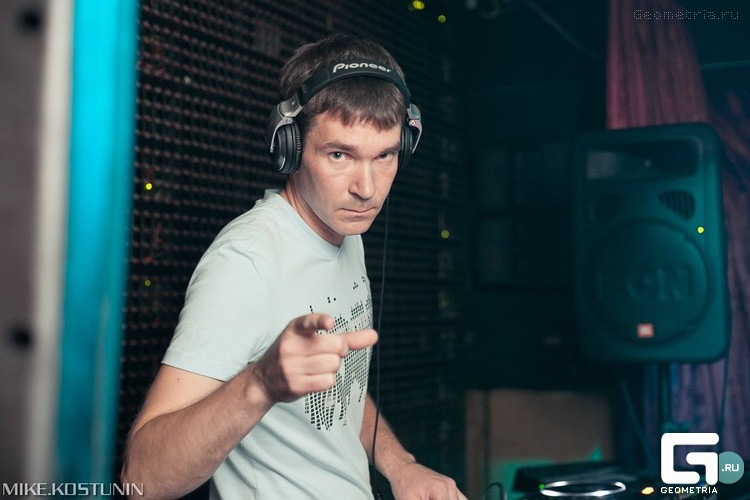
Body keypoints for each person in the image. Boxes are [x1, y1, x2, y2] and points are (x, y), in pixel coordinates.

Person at [121, 33, 466, 500]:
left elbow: (338, 383)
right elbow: (141, 479)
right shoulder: (246, 261)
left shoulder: (344, 228)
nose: (367, 189)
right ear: (290, 147)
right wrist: (261, 383)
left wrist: (401, 466)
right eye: (340, 155)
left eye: (384, 155)